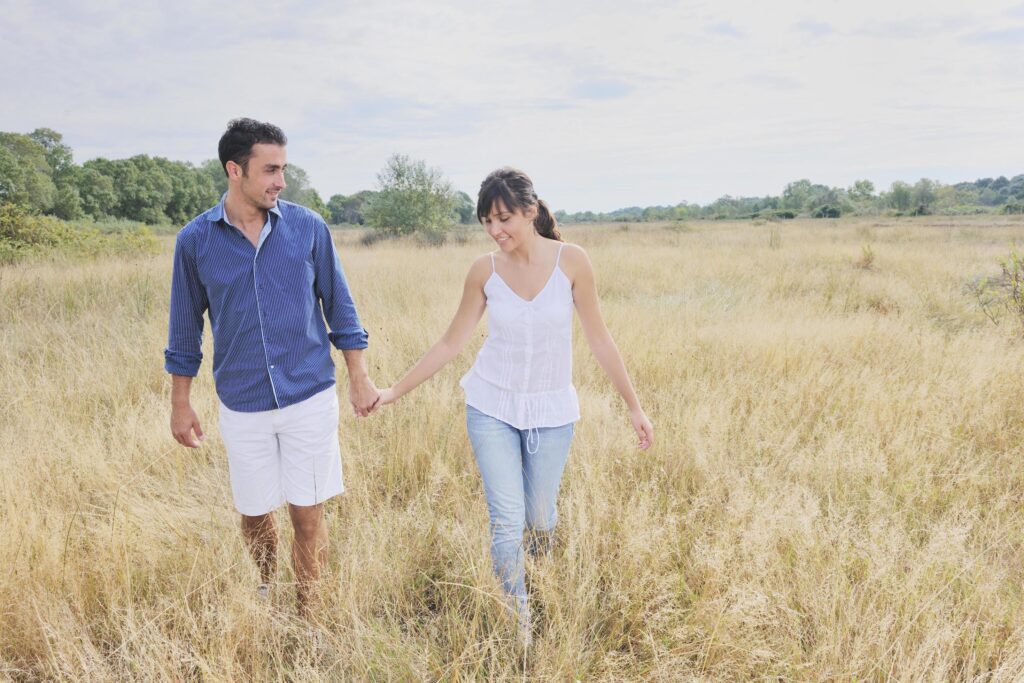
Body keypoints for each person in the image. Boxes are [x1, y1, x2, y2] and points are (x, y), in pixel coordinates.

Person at [374, 167, 653, 644]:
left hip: (551, 412)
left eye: (503, 218)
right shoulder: (484, 270)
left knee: (541, 520)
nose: (495, 230)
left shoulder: (572, 262)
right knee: (507, 519)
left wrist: (634, 406)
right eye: (486, 221)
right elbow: (449, 342)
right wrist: (393, 392)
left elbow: (600, 339)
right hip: (491, 406)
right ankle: (518, 623)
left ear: (530, 210)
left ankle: (541, 588)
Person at [164, 118, 379, 615]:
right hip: (243, 402)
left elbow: (339, 306)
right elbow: (184, 329)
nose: (281, 180)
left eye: (284, 168)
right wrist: (181, 403)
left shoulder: (307, 226)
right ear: (234, 169)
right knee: (255, 512)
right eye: (271, 169)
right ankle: (265, 590)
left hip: (308, 394)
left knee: (308, 512)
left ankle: (310, 609)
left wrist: (358, 374)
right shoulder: (194, 241)